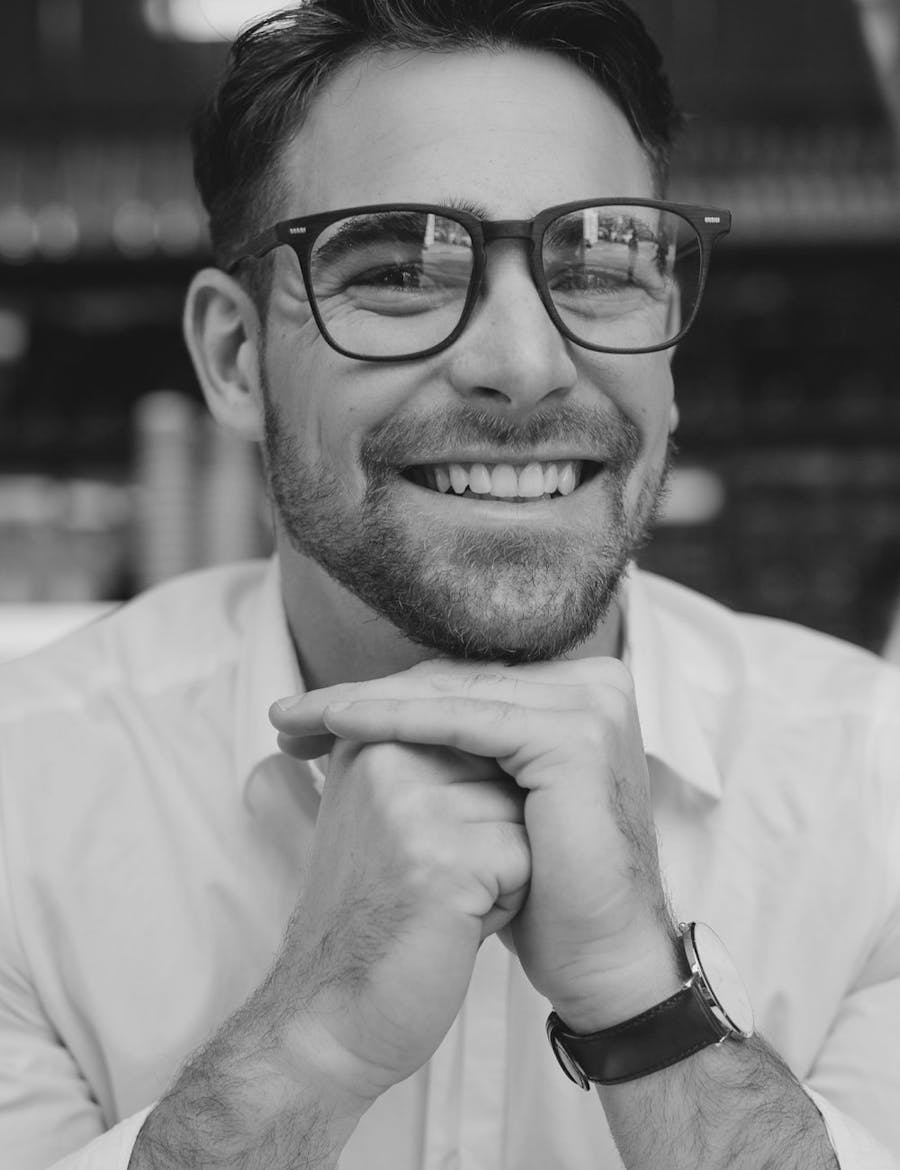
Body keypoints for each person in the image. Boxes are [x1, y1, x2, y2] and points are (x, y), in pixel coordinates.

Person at [1, 2, 898, 1167]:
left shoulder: (877, 796)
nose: (525, 367)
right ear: (234, 359)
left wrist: (652, 1013)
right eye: (398, 269)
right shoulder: (22, 807)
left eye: (604, 262)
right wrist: (303, 1048)